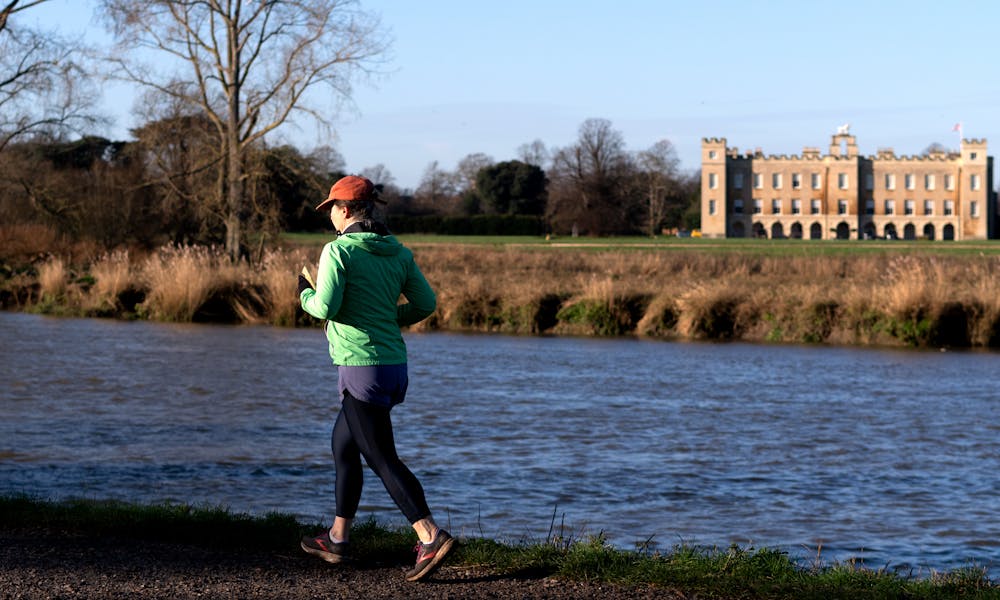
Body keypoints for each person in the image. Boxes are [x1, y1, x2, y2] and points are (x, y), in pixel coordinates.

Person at [297, 175, 453, 582]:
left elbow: (326, 307)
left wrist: (304, 294)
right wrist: (385, 317)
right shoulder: (398, 252)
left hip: (361, 367)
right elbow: (426, 303)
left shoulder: (338, 251)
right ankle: (337, 538)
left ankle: (430, 535)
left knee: (382, 457)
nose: (330, 217)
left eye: (331, 209)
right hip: (393, 368)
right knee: (343, 446)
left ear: (346, 210)